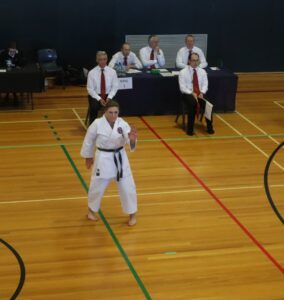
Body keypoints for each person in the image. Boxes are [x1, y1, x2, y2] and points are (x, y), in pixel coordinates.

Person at [80, 100, 138, 226]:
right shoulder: (97, 124)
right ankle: (91, 211)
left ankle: (132, 214)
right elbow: (88, 141)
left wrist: (132, 140)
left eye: (116, 112)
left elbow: (130, 141)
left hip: (120, 158)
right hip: (103, 158)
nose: (113, 115)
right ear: (105, 112)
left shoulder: (122, 123)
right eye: (110, 112)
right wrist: (88, 157)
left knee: (128, 186)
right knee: (97, 186)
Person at [178, 52, 214, 136]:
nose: (195, 62)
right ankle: (190, 129)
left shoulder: (202, 72)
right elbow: (182, 88)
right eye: (193, 60)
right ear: (189, 61)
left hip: (199, 94)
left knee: (208, 105)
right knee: (193, 103)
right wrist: (191, 93)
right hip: (187, 94)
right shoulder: (183, 72)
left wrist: (202, 92)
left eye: (197, 60)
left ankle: (210, 128)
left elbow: (205, 84)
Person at [87, 51, 119, 125]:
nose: (103, 61)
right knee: (94, 107)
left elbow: (115, 87)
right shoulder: (91, 72)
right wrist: (99, 99)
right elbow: (90, 89)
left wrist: (109, 97)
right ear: (97, 60)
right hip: (96, 95)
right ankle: (92, 126)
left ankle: (113, 125)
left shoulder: (113, 72)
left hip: (108, 95)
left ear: (107, 59)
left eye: (104, 59)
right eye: (100, 59)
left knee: (114, 106)